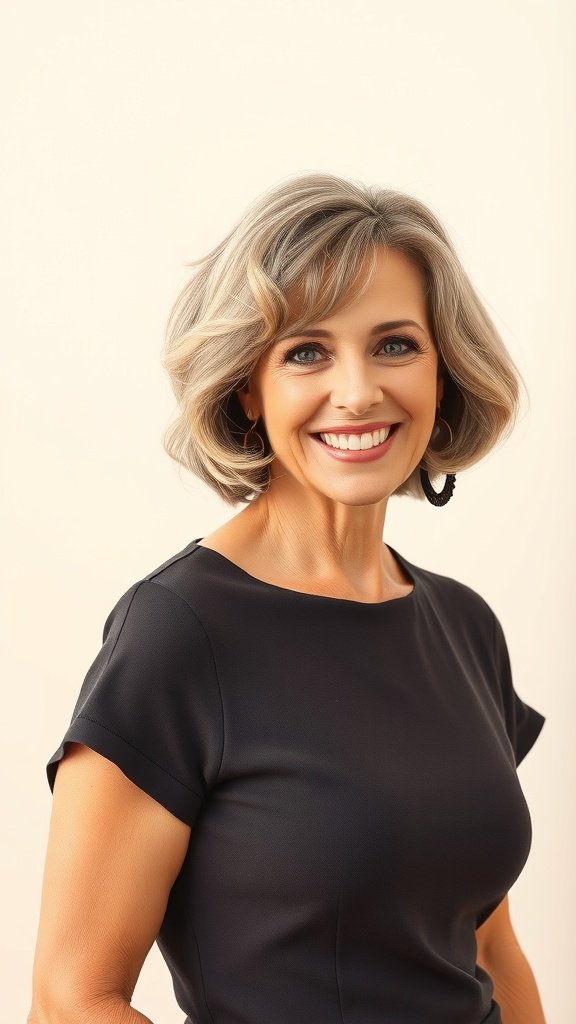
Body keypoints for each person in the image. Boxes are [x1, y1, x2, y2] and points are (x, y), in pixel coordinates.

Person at [29, 172, 547, 1024]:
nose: (358, 391)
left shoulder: (463, 625)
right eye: (306, 351)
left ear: (443, 370)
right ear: (246, 386)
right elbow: (72, 997)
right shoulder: (179, 633)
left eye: (395, 344)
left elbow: (491, 953)